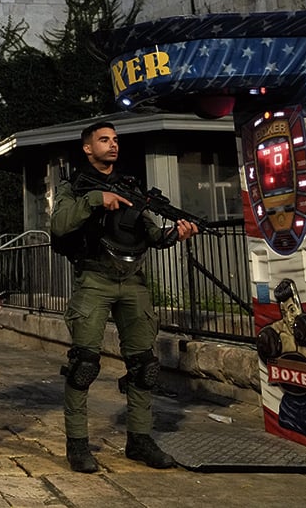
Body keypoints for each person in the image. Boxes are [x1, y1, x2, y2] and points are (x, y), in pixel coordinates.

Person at [50, 121, 198, 473]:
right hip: (94, 279)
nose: (113, 145)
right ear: (88, 148)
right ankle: (78, 444)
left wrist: (174, 234)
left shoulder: (129, 186)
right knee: (83, 364)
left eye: (115, 140)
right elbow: (59, 225)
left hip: (133, 282)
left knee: (144, 366)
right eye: (104, 140)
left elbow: (150, 233)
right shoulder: (73, 187)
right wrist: (95, 200)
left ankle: (140, 439)